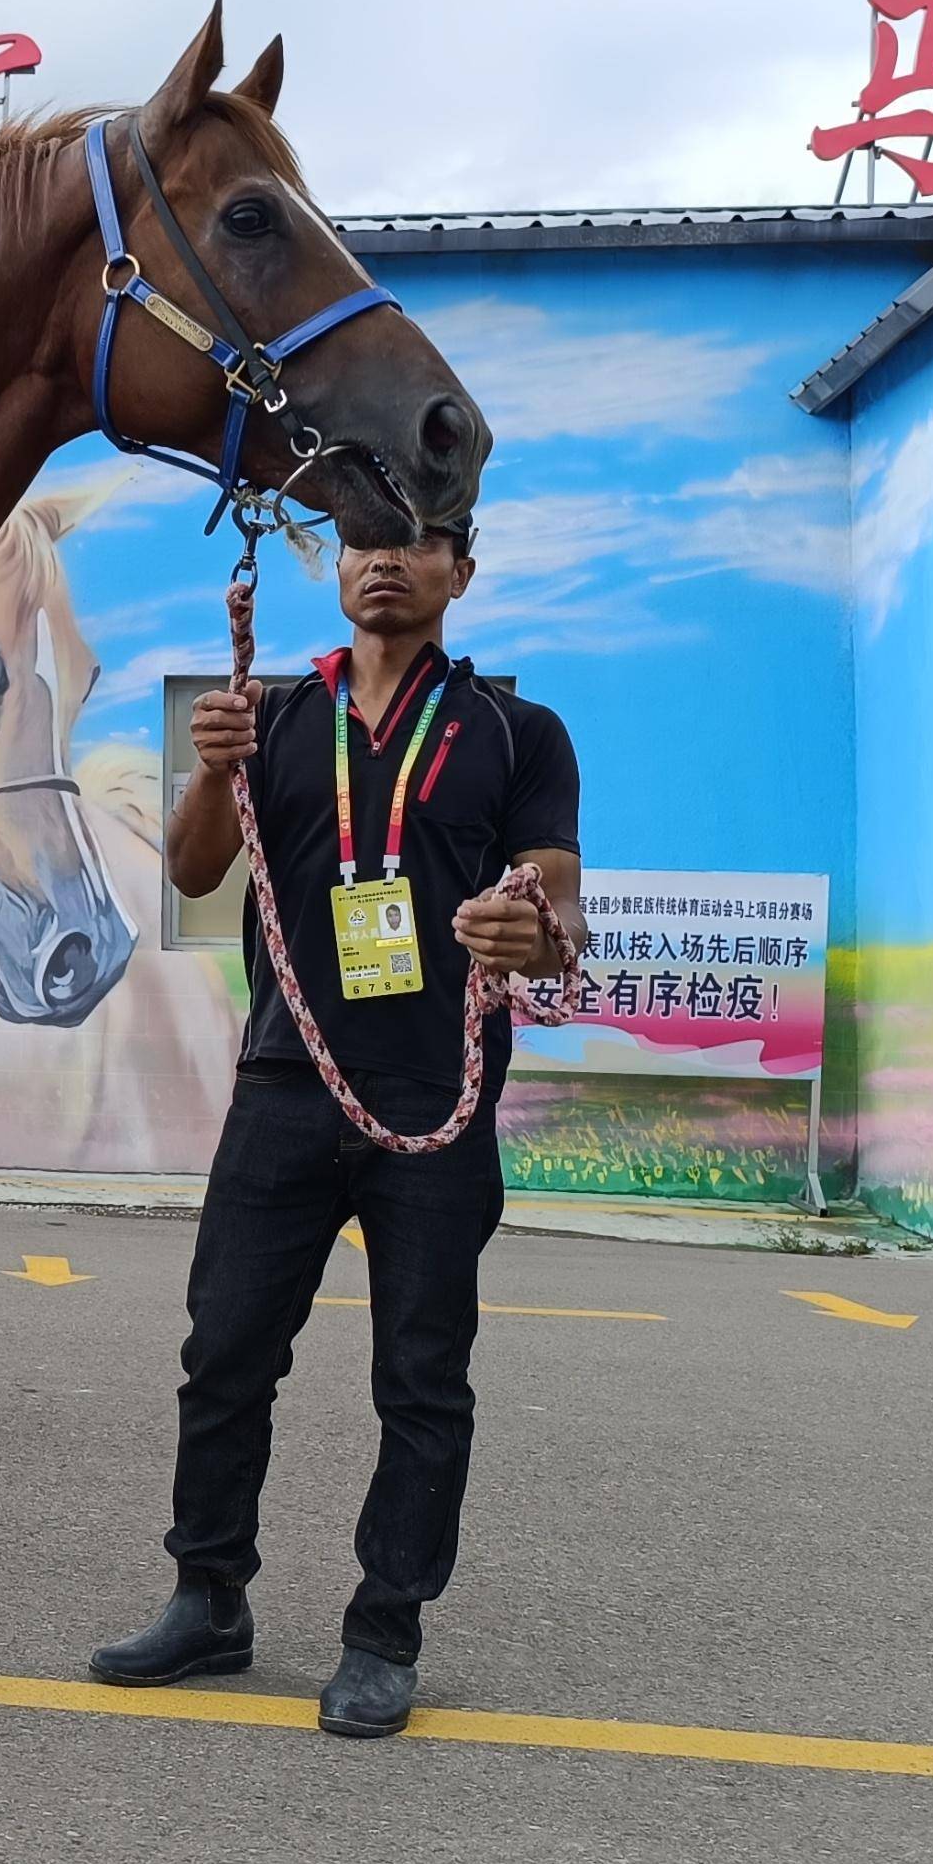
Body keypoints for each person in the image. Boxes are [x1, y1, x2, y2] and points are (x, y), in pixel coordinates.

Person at [87, 521, 581, 1736]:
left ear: (460, 572)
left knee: (421, 1375)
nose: (385, 561)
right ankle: (208, 1597)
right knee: (224, 1351)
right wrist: (210, 766)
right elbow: (199, 871)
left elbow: (555, 894)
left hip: (432, 1101)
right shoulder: (271, 714)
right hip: (282, 1083)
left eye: (418, 544)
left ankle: (385, 1628)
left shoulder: (518, 733)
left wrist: (532, 929)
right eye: (364, 538)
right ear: (335, 565)